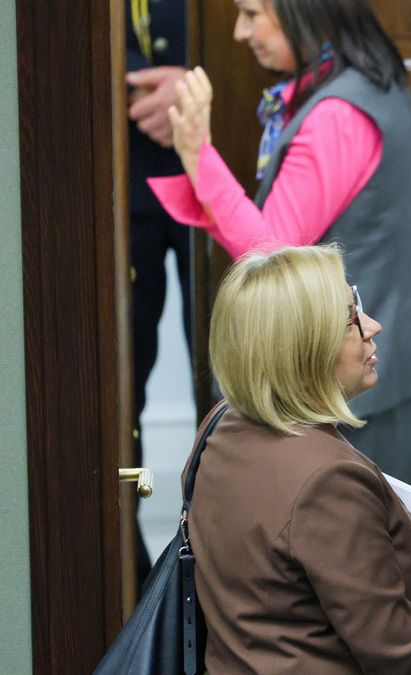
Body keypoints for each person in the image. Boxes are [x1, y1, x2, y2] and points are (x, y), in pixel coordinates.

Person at [149, 0, 411, 493]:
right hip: (398, 361)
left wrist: (197, 154)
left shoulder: (337, 113)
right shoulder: (369, 77)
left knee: (363, 534)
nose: (240, 33)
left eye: (252, 14)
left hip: (372, 378)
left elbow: (271, 256)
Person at [188, 245, 411, 672]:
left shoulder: (220, 426)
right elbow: (398, 655)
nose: (373, 326)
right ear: (305, 345)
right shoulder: (328, 479)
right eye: (351, 318)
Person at [124, 0, 192, 585]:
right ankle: (132, 579)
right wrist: (128, 76)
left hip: (225, 164)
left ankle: (227, 559)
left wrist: (196, 84)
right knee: (118, 385)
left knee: (237, 376)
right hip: (114, 168)